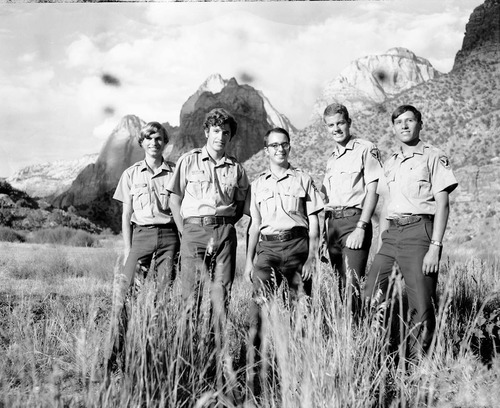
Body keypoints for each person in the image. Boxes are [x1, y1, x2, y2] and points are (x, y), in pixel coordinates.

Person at [364, 105, 458, 361]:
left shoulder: (433, 156)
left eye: (409, 120)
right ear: (393, 128)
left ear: (420, 124)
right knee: (371, 293)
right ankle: (378, 354)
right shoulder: (391, 162)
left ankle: (418, 365)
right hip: (391, 236)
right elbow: (385, 205)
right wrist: (382, 240)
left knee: (421, 304)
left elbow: (443, 204)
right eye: (399, 122)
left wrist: (435, 246)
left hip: (420, 232)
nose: (404, 126)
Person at [245, 127, 323, 396]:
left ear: (289, 147)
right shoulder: (257, 185)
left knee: (300, 308)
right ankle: (256, 370)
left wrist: (312, 256)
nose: (280, 149)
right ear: (266, 150)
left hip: (297, 247)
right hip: (267, 249)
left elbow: (314, 220)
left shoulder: (302, 178)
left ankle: (302, 366)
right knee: (259, 309)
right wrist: (248, 261)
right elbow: (254, 225)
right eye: (274, 145)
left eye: (284, 144)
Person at [108, 121, 180, 370]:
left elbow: (180, 209)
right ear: (142, 143)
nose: (154, 143)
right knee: (126, 296)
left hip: (170, 238)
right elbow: (126, 214)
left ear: (165, 142)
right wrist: (128, 249)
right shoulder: (130, 174)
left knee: (162, 299)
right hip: (141, 237)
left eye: (158, 138)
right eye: (149, 138)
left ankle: (154, 356)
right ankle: (117, 355)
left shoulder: (174, 172)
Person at [167, 108, 249, 324]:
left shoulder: (236, 168)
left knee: (222, 297)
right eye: (216, 131)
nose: (220, 137)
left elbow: (240, 205)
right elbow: (174, 199)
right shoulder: (188, 161)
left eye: (226, 133)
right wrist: (184, 231)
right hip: (194, 231)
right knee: (191, 296)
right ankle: (188, 353)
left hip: (224, 233)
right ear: (207, 132)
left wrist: (226, 225)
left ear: (230, 136)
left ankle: (216, 352)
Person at [321, 103, 382, 312]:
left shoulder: (366, 149)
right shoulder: (332, 158)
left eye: (340, 123)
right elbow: (329, 199)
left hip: (354, 223)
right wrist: (323, 233)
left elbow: (374, 190)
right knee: (341, 287)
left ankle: (359, 337)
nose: (336, 129)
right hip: (332, 226)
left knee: (352, 286)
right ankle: (348, 338)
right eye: (331, 125)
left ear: (349, 122)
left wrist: (362, 227)